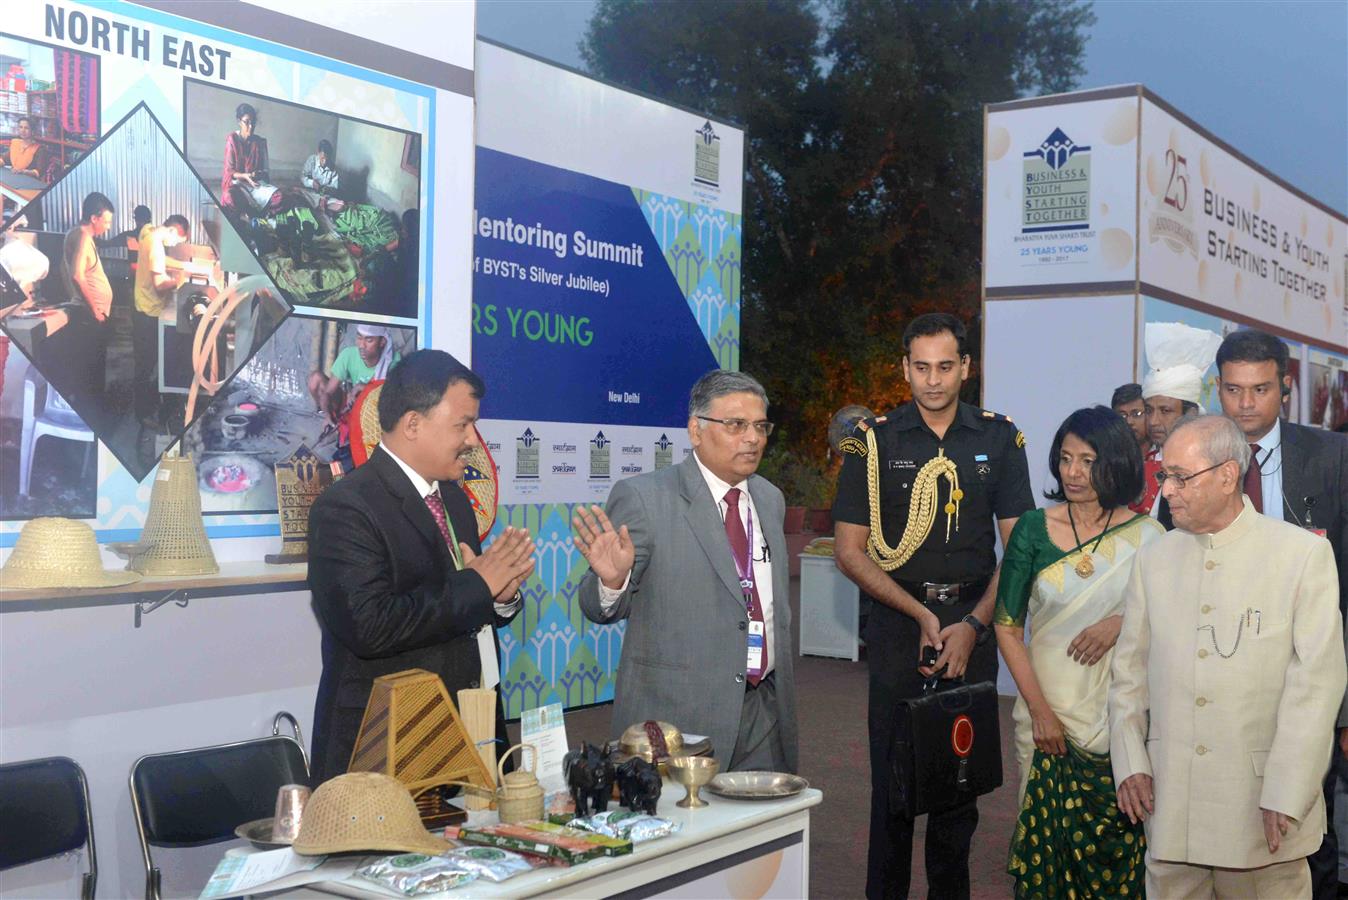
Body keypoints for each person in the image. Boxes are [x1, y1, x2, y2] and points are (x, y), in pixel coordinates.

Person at [832, 312, 1034, 899]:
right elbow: (850, 551)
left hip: (974, 626)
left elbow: (1018, 548)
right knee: (892, 788)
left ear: (966, 368)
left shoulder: (999, 438)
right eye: (921, 367)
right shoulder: (872, 442)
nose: (933, 380)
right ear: (905, 369)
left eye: (946, 366)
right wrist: (919, 615)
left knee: (958, 787)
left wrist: (972, 624)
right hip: (900, 626)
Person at [1110, 414, 1346, 898]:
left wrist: (1288, 790)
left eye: (1180, 476)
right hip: (1170, 805)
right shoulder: (1154, 559)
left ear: (1227, 475)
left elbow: (1316, 688)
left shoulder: (1301, 556)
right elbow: (1127, 676)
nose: (1167, 490)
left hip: (1262, 812)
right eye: (1164, 476)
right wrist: (1130, 761)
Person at [307, 350, 536, 781]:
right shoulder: (344, 508)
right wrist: (477, 585)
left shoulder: (452, 498)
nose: (472, 440)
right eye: (462, 425)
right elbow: (370, 626)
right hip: (387, 747)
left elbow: (464, 605)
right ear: (413, 424)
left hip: (471, 729)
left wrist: (499, 598)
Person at [574, 369, 798, 773]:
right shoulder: (644, 498)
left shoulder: (769, 498)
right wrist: (612, 580)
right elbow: (596, 606)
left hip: (764, 710)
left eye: (761, 426)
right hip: (680, 721)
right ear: (696, 430)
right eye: (736, 425)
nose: (753, 438)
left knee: (762, 832)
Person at [995, 406, 1163, 897]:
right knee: (1046, 855)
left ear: (1114, 464)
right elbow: (1007, 627)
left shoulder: (1151, 538)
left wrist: (1122, 622)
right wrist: (1040, 711)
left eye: (1087, 461)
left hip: (1118, 722)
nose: (1072, 472)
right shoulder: (1032, 528)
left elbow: (1172, 623)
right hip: (1046, 717)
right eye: (1066, 458)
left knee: (1116, 852)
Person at [1216, 327, 1348, 899]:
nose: (1246, 405)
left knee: (1308, 823)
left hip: (1310, 673)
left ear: (1286, 388)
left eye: (1261, 390)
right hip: (1225, 679)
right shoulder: (1191, 458)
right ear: (1216, 389)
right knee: (1230, 830)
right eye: (1234, 390)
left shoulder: (1332, 458)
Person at [1141, 321, 1222, 528]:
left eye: (1165, 411)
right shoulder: (1140, 465)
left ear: (1191, 413)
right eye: (1149, 410)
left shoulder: (1210, 469)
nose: (1154, 421)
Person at [131, 215, 189, 428]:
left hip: (141, 307)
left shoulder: (148, 231)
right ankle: (143, 415)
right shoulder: (155, 244)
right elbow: (159, 284)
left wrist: (182, 266)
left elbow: (161, 262)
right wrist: (178, 282)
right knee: (146, 366)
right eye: (176, 241)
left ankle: (148, 406)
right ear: (172, 231)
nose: (173, 245)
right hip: (148, 312)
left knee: (146, 364)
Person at [1112, 382, 1160, 515]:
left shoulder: (1166, 458)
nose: (1129, 422)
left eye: (1137, 414)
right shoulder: (1108, 461)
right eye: (1122, 415)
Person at [220, 102, 277, 213]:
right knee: (229, 197)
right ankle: (253, 211)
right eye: (246, 122)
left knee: (280, 197)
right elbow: (229, 172)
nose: (251, 127)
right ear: (239, 122)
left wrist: (256, 174)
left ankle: (249, 211)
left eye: (253, 122)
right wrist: (245, 176)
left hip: (256, 186)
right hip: (238, 185)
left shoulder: (260, 142)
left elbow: (265, 171)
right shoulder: (232, 140)